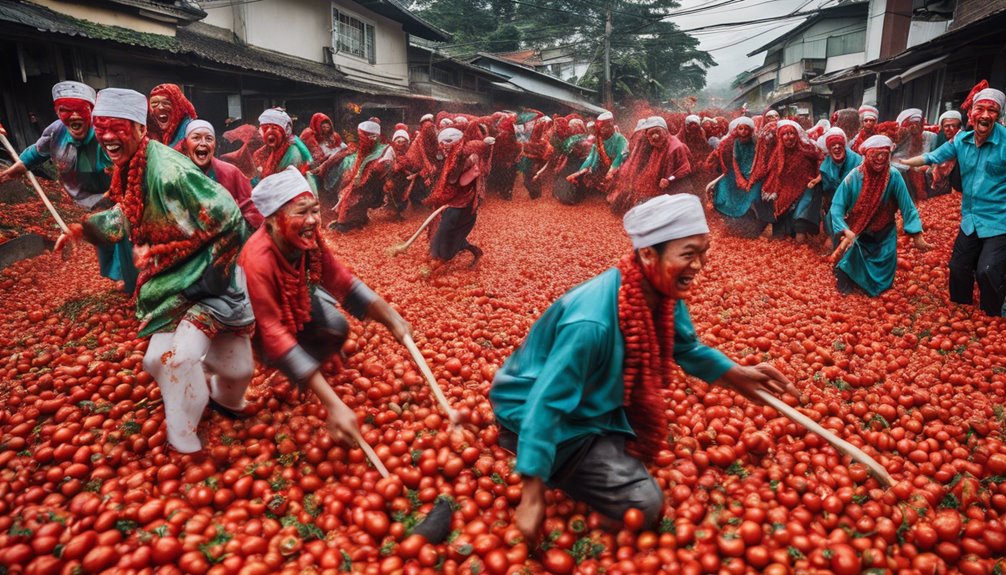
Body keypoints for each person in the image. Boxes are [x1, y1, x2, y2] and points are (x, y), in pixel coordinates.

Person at [489, 194, 798, 540]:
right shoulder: (591, 323)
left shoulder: (657, 288)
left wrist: (735, 375)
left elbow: (686, 348)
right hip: (535, 406)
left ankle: (580, 447)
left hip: (591, 398)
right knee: (644, 505)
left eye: (703, 251)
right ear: (650, 254)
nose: (700, 265)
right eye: (688, 254)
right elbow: (547, 403)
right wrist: (531, 497)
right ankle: (519, 440)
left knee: (643, 436)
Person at [56, 88, 254, 453]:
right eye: (102, 129)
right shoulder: (133, 166)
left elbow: (228, 214)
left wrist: (214, 273)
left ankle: (221, 400)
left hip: (207, 275)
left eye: (118, 128)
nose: (109, 137)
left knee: (237, 368)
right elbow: (127, 215)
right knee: (169, 359)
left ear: (138, 128)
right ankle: (185, 437)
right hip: (173, 277)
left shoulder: (169, 172)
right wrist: (83, 230)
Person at [239, 166, 411, 441]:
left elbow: (339, 278)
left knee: (336, 327)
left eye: (315, 210)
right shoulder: (256, 261)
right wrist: (334, 405)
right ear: (272, 220)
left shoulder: (309, 238)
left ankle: (308, 367)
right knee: (281, 350)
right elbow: (271, 329)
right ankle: (295, 372)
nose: (312, 221)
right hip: (261, 327)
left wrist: (392, 318)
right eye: (301, 212)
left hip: (298, 300)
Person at [0, 81, 137, 294]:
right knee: (102, 240)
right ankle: (117, 274)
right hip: (87, 198)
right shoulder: (55, 131)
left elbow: (129, 161)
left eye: (80, 110)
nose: (73, 116)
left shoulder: (106, 133)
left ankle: (132, 280)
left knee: (124, 236)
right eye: (65, 110)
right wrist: (21, 165)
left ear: (91, 112)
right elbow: (38, 150)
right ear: (57, 112)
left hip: (115, 193)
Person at [901, 84, 1006, 316]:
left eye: (993, 111)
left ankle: (993, 313)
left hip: (1000, 220)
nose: (986, 115)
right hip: (971, 218)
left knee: (988, 270)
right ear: (972, 114)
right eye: (981, 109)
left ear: (998, 116)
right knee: (958, 268)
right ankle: (962, 310)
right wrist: (906, 164)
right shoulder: (962, 140)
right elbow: (933, 156)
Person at [830, 135, 930, 295]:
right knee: (847, 266)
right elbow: (836, 207)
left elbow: (907, 206)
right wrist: (844, 229)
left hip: (884, 233)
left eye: (884, 156)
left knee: (882, 282)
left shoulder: (894, 176)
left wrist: (916, 234)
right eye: (876, 155)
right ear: (868, 156)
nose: (880, 159)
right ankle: (847, 275)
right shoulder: (854, 177)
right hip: (858, 232)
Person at [424, 127, 492, 267]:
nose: (443, 146)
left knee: (446, 232)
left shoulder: (469, 156)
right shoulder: (450, 157)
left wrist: (471, 175)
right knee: (448, 232)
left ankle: (438, 260)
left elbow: (460, 180)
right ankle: (466, 251)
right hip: (452, 202)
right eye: (441, 143)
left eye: (448, 142)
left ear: (457, 141)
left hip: (463, 204)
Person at [179, 119, 264, 228]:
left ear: (214, 145)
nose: (203, 143)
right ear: (186, 144)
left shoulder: (231, 172)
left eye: (209, 139)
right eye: (196, 138)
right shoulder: (177, 174)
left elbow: (251, 210)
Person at [751, 120, 822, 241]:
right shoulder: (776, 155)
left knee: (799, 229)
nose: (789, 137)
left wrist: (815, 180)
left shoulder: (807, 152)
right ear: (780, 137)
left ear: (797, 135)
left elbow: (819, 163)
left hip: (803, 193)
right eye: (785, 134)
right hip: (781, 193)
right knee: (779, 231)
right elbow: (772, 174)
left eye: (791, 133)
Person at [607, 116, 691, 213]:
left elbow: (685, 169)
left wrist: (669, 179)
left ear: (665, 131)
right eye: (651, 134)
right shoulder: (657, 147)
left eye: (657, 132)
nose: (655, 136)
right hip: (660, 188)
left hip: (677, 187)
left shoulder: (675, 147)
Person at [705, 116, 764, 237]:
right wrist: (739, 178)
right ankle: (733, 225)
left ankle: (753, 227)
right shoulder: (733, 142)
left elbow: (759, 162)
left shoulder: (757, 142)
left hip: (755, 175)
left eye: (746, 129)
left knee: (754, 195)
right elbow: (735, 160)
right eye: (740, 129)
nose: (743, 132)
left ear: (751, 130)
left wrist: (751, 180)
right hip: (737, 174)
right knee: (722, 190)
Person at [331, 121, 393, 232]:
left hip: (376, 186)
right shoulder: (364, 150)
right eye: (360, 138)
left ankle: (349, 222)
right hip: (361, 185)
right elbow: (357, 169)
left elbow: (382, 170)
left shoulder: (385, 150)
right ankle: (354, 221)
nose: (362, 141)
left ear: (374, 137)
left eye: (363, 138)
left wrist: (361, 181)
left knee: (352, 199)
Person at [810, 127, 862, 246]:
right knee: (830, 243)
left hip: (857, 202)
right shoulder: (826, 166)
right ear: (828, 149)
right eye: (833, 145)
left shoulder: (858, 161)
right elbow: (828, 193)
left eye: (839, 144)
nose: (837, 147)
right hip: (837, 204)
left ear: (844, 146)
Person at [566, 111, 629, 202]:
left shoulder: (619, 139)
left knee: (613, 199)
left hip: (619, 170)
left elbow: (621, 156)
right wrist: (581, 171)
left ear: (611, 126)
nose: (604, 131)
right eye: (602, 128)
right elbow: (591, 157)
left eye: (607, 128)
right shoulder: (598, 139)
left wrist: (611, 172)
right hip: (603, 168)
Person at [252, 108, 313, 186]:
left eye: (274, 128)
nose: (269, 132)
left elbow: (308, 159)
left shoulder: (292, 151)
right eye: (265, 128)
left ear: (286, 130)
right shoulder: (264, 151)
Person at [891, 108, 937, 201]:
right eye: (912, 123)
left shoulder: (931, 137)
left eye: (917, 123)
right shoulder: (900, 137)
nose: (915, 127)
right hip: (903, 172)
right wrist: (909, 167)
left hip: (925, 172)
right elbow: (890, 158)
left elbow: (935, 157)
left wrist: (928, 167)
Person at [147, 83, 197, 148]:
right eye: (154, 104)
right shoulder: (147, 130)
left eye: (166, 103)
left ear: (178, 106)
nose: (160, 107)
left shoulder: (190, 130)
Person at [929, 110, 963, 197]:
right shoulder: (941, 137)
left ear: (959, 127)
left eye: (954, 126)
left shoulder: (964, 140)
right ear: (942, 127)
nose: (950, 129)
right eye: (947, 126)